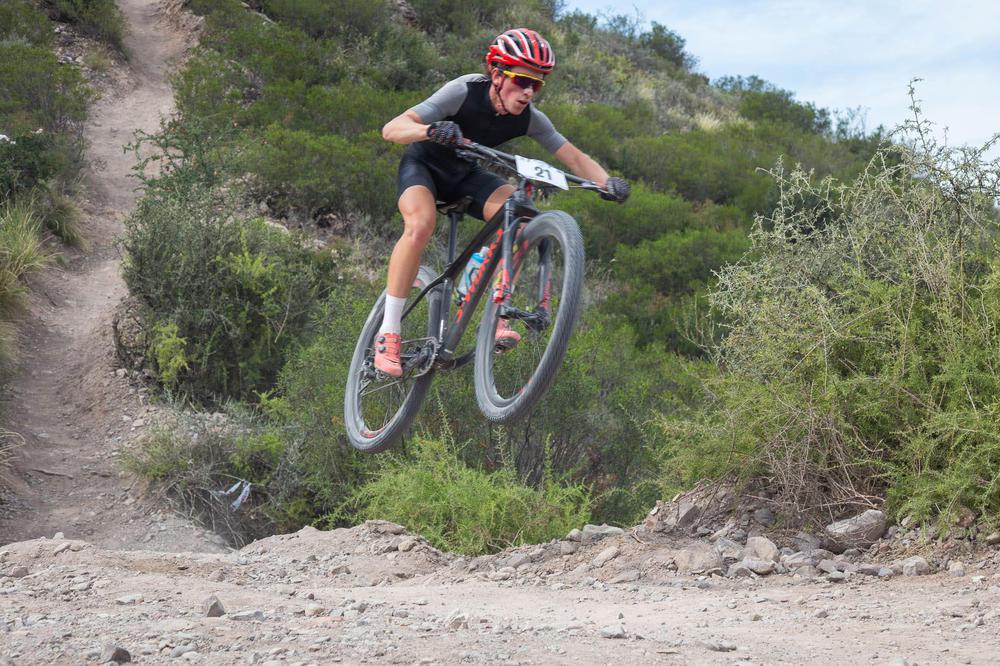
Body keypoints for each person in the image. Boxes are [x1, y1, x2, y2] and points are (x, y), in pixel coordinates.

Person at [377, 28, 629, 377]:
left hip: (466, 174)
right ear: (496, 74)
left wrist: (607, 182)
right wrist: (431, 130)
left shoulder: (530, 118)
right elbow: (393, 129)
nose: (528, 92)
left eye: (537, 85)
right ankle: (388, 333)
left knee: (521, 217)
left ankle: (489, 304)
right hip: (424, 167)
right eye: (522, 80)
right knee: (420, 225)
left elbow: (574, 157)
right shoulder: (464, 91)